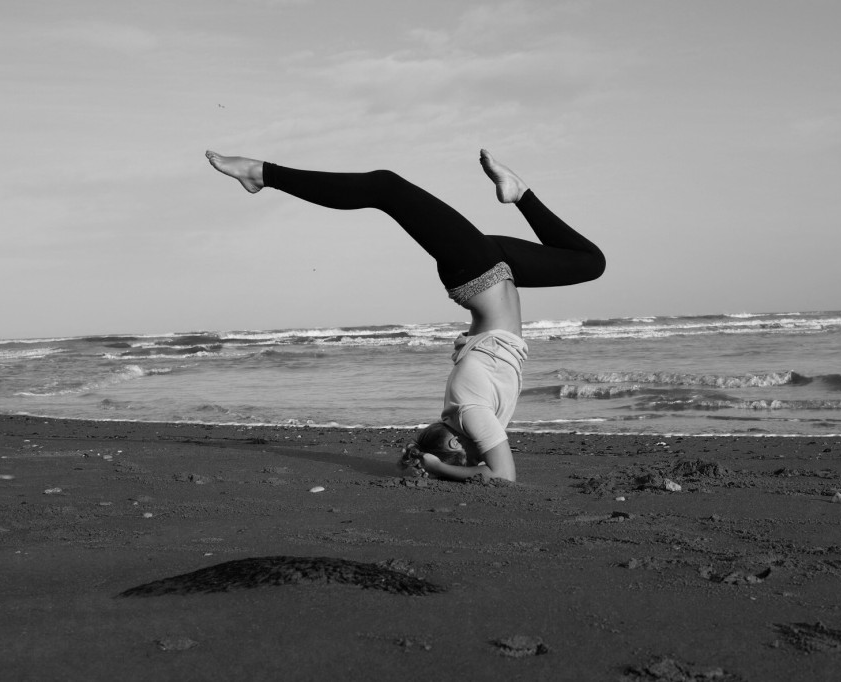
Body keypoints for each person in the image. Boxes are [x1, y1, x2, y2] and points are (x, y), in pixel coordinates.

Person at [206, 148, 605, 482]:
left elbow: (502, 477)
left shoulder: (470, 415)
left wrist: (436, 466)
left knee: (386, 186)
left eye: (462, 454)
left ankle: (260, 173)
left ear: (456, 445)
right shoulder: (471, 416)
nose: (474, 455)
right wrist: (432, 463)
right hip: (500, 272)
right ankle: (520, 194)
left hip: (480, 273)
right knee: (590, 262)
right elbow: (493, 470)